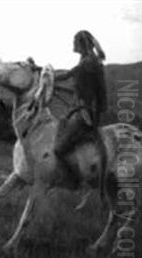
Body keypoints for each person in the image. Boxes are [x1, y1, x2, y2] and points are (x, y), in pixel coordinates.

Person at [54, 30, 107, 196]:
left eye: (74, 42)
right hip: (89, 112)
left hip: (86, 115)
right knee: (62, 124)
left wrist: (46, 75)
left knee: (58, 149)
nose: (72, 45)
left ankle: (74, 180)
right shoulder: (91, 61)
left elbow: (68, 75)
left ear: (81, 44)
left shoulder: (86, 64)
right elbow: (76, 87)